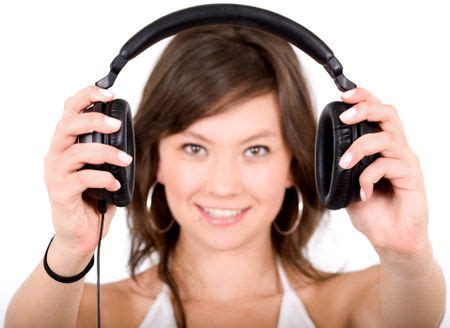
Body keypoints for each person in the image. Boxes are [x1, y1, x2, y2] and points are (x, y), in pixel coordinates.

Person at [5, 25, 445, 327]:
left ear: (296, 163)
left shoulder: (346, 307)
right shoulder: (105, 313)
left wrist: (407, 249)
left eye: (255, 149)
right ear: (145, 157)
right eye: (195, 148)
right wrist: (72, 248)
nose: (223, 184)